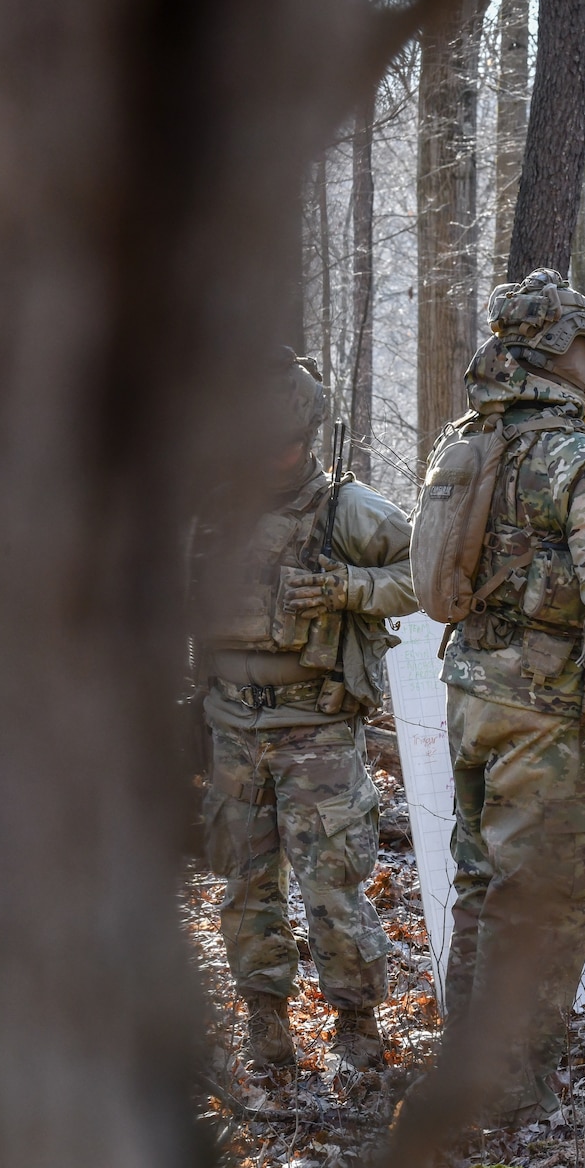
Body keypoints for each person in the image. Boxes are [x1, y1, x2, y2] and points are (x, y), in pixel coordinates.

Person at [435, 268, 585, 1128]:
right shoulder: (576, 455)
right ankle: (509, 1092)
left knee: (480, 885)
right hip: (547, 706)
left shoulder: (474, 441)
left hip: (472, 692)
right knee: (542, 902)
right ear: (555, 351)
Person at [189, 351, 416, 1073]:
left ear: (312, 435)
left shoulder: (345, 508)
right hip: (229, 723)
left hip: (315, 724)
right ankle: (266, 1023)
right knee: (244, 883)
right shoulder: (209, 516)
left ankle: (356, 1023)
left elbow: (427, 571)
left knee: (332, 885)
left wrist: (350, 586)